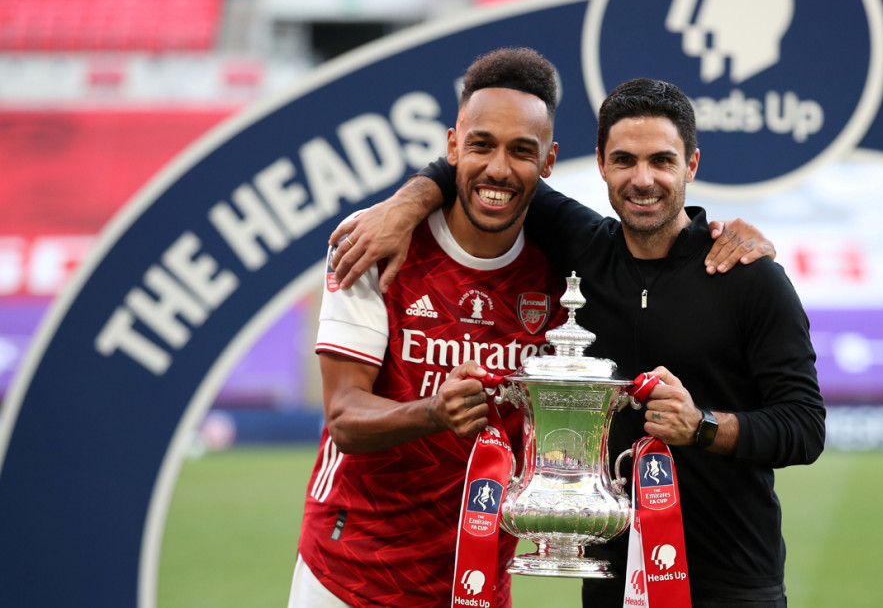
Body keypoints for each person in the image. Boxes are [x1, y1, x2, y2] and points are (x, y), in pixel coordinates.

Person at [330, 77, 824, 607]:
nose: (643, 180)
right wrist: (404, 206)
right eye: (624, 160)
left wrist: (701, 426)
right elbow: (487, 170)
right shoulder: (583, 251)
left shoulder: (748, 276)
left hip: (731, 585)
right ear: (600, 164)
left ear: (692, 165)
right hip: (607, 578)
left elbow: (804, 427)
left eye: (661, 161)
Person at [288, 47, 569, 608]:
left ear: (550, 161)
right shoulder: (376, 240)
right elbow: (344, 415)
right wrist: (433, 413)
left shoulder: (565, 270)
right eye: (481, 144)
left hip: (476, 576)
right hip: (350, 570)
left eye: (521, 151)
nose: (497, 169)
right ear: (451, 146)